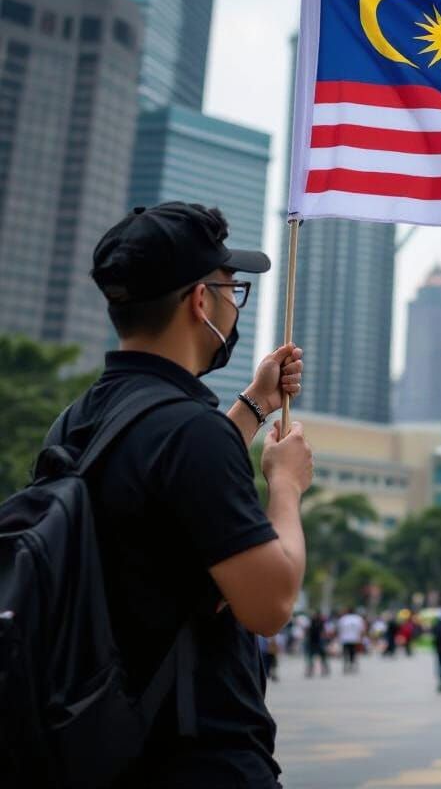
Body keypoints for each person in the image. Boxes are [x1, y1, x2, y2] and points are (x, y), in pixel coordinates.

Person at [45, 202, 312, 787]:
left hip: (97, 736)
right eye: (230, 288)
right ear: (199, 301)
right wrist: (286, 486)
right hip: (196, 751)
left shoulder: (79, 419)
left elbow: (163, 485)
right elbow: (270, 604)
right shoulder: (188, 430)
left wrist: (255, 404)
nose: (230, 302)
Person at [338, 607, 366, 674]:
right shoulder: (358, 618)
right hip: (355, 638)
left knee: (345, 652)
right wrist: (361, 638)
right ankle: (352, 665)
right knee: (353, 652)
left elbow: (339, 629)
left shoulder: (343, 618)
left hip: (345, 638)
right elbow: (361, 629)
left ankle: (346, 665)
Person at [305, 611, 329, 678]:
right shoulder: (312, 622)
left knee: (321, 657)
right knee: (311, 657)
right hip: (313, 641)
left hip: (318, 641)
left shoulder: (320, 623)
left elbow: (323, 633)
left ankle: (324, 670)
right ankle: (311, 670)